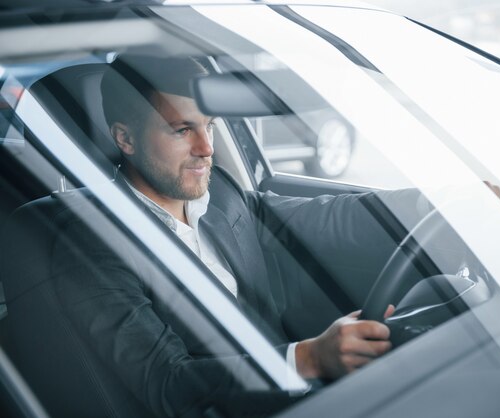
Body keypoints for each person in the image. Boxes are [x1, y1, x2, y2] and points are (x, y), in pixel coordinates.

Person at [50, 54, 425, 417]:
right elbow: (168, 383)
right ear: (126, 140)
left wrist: (434, 205)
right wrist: (308, 358)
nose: (207, 148)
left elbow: (329, 216)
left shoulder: (222, 194)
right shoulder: (91, 244)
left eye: (209, 125)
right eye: (183, 130)